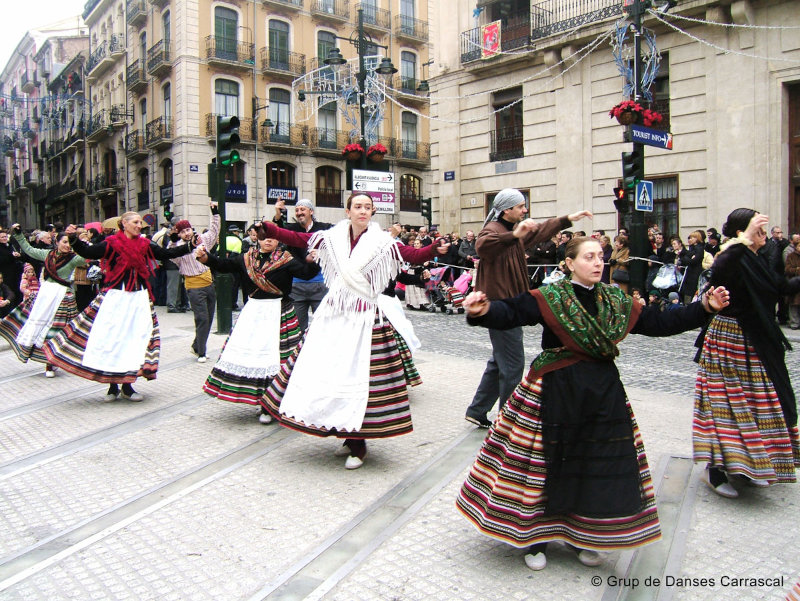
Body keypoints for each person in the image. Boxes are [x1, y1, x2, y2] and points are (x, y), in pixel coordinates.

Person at [457, 236, 730, 572]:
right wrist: (482, 310)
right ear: (569, 263)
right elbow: (511, 311)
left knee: (594, 464)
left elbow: (659, 322)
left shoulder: (616, 299)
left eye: (601, 256)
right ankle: (534, 538)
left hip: (602, 391)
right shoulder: (550, 296)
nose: (599, 262)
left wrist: (704, 308)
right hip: (555, 388)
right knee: (545, 462)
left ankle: (582, 537)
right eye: (589, 257)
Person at [259, 192, 448, 469]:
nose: (362, 211)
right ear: (348, 211)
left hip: (365, 319)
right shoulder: (332, 237)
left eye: (367, 207)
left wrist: (434, 250)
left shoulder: (383, 242)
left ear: (373, 212)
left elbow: (412, 254)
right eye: (357, 206)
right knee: (325, 373)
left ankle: (358, 443)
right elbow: (298, 239)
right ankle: (343, 433)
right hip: (333, 314)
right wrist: (271, 229)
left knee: (361, 380)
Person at [694, 209, 800, 498]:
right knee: (724, 405)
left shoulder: (758, 257)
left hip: (755, 341)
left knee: (757, 403)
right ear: (743, 232)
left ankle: (749, 465)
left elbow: (780, 287)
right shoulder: (733, 257)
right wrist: (742, 239)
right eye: (759, 230)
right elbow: (720, 271)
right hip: (727, 341)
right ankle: (714, 470)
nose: (764, 236)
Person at [464, 188, 591, 428]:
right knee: (512, 365)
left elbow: (540, 230)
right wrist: (514, 235)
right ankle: (508, 421)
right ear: (506, 210)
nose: (525, 210)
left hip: (509, 308)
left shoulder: (515, 230)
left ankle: (477, 409)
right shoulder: (493, 230)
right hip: (500, 310)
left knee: (499, 361)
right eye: (521, 206)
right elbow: (483, 246)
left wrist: (567, 219)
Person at [43, 212, 193, 401]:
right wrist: (73, 239)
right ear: (124, 224)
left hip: (138, 297)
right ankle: (112, 386)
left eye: (140, 223)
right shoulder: (111, 243)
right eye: (136, 222)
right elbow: (89, 252)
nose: (140, 225)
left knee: (133, 339)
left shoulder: (145, 244)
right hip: (115, 296)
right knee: (112, 338)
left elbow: (166, 254)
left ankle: (128, 385)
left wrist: (190, 246)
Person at [197, 232, 318, 421]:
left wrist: (311, 261)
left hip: (279, 312)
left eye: (272, 237)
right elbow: (224, 265)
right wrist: (206, 258)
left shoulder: (287, 260)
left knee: (277, 359)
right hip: (253, 313)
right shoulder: (246, 259)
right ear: (257, 239)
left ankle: (271, 405)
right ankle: (260, 400)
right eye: (263, 237)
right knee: (255, 359)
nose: (268, 240)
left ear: (278, 239)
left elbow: (306, 273)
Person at [0, 226, 87, 378]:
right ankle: (48, 362)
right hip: (46, 296)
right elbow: (29, 249)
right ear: (57, 242)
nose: (67, 245)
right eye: (65, 242)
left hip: (64, 298)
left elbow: (88, 257)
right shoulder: (47, 255)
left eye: (69, 242)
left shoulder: (74, 258)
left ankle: (60, 360)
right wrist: (20, 235)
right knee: (44, 328)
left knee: (60, 330)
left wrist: (83, 244)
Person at [167, 202, 221, 363]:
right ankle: (202, 352)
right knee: (202, 318)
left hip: (209, 282)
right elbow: (170, 255)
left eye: (188, 230)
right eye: (182, 232)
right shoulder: (178, 247)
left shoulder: (203, 240)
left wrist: (215, 212)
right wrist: (172, 241)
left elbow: (214, 230)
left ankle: (197, 345)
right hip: (193, 286)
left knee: (209, 317)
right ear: (179, 234)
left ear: (192, 229)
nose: (186, 233)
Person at [272, 198, 333, 332]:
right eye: (297, 210)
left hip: (320, 284)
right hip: (296, 285)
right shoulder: (292, 229)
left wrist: (321, 253)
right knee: (297, 327)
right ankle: (298, 352)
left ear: (311, 211)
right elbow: (277, 230)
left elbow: (342, 233)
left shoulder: (324, 228)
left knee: (323, 326)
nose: (299, 213)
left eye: (302, 209)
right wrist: (277, 214)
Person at [679, 230, 705, 304]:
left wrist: (687, 259)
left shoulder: (699, 249)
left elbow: (693, 261)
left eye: (692, 238)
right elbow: (685, 259)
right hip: (689, 273)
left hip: (695, 273)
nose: (690, 239)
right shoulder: (692, 248)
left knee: (691, 292)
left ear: (697, 239)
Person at [225, 224, 243, 309]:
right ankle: (233, 304)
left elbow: (217, 252)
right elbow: (236, 254)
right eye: (237, 232)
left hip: (223, 266)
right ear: (234, 232)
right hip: (234, 267)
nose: (238, 233)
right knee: (234, 286)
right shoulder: (238, 241)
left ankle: (224, 303)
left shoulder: (224, 239)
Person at [785, 237, 800, 330]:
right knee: (794, 304)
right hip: (795, 283)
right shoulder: (791, 256)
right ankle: (794, 323)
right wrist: (797, 270)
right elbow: (787, 269)